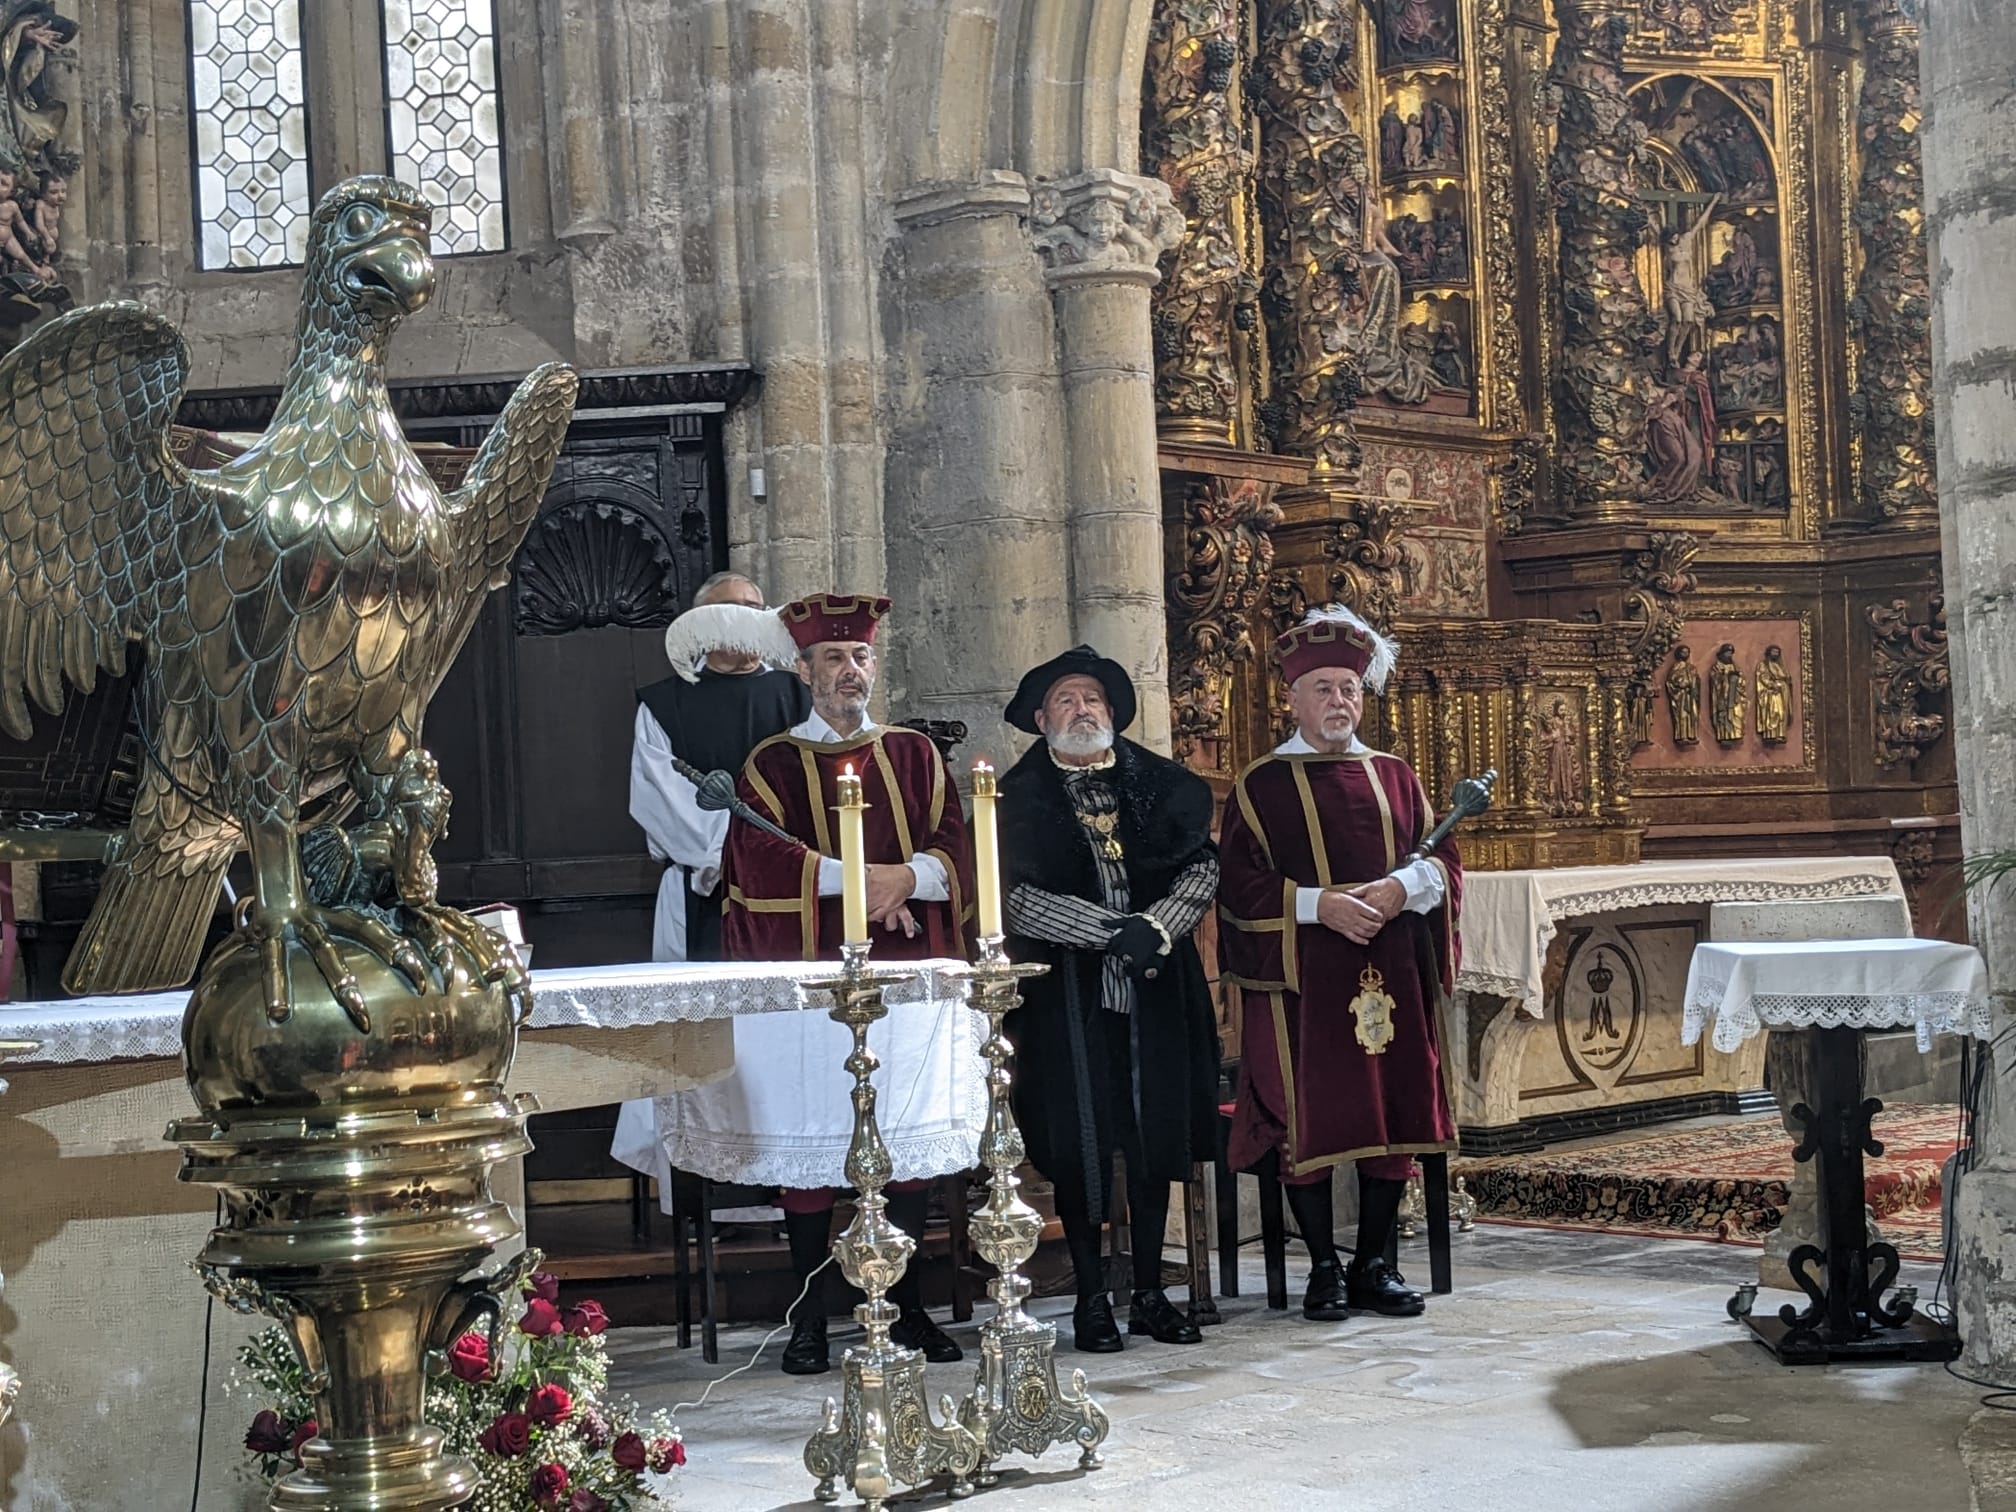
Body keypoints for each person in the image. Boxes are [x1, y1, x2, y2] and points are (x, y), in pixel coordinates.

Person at [721, 591, 971, 1374]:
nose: (849, 670)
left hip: (906, 973)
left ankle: (903, 1308)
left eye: (860, 656)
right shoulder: (771, 763)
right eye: (833, 657)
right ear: (803, 670)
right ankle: (809, 1314)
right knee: (819, 1143)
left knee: (906, 1134)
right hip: (813, 982)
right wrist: (868, 884)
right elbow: (761, 866)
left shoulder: (914, 754)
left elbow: (957, 844)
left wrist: (908, 878)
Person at [1219, 605, 1462, 1323]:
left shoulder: (1394, 776)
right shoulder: (1261, 784)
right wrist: (1316, 905)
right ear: (1292, 699)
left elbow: (1441, 858)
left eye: (1349, 690)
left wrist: (1402, 886)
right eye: (1322, 689)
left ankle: (1374, 1264)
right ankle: (1322, 1267)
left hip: (1392, 969)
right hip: (1301, 981)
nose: (1338, 702)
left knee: (1395, 1109)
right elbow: (1239, 883)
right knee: (1308, 1117)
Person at [997, 647, 1221, 1354]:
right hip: (1064, 999)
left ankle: (1153, 1291)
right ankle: (1093, 1299)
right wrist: (1105, 933)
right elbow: (1013, 897)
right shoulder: (1015, 799)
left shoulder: (1166, 786)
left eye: (1092, 698)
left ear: (1114, 713)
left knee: (1153, 1136)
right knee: (1079, 1143)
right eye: (1065, 700)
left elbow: (1200, 869)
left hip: (1157, 990)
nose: (1082, 710)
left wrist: (1154, 930)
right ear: (1041, 719)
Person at [630, 572, 807, 964]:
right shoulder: (664, 705)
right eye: (731, 609)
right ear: (700, 623)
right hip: (705, 885)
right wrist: (732, 858)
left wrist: (782, 860)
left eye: (754, 609)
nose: (746, 618)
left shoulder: (800, 695)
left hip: (794, 883)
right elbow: (661, 797)